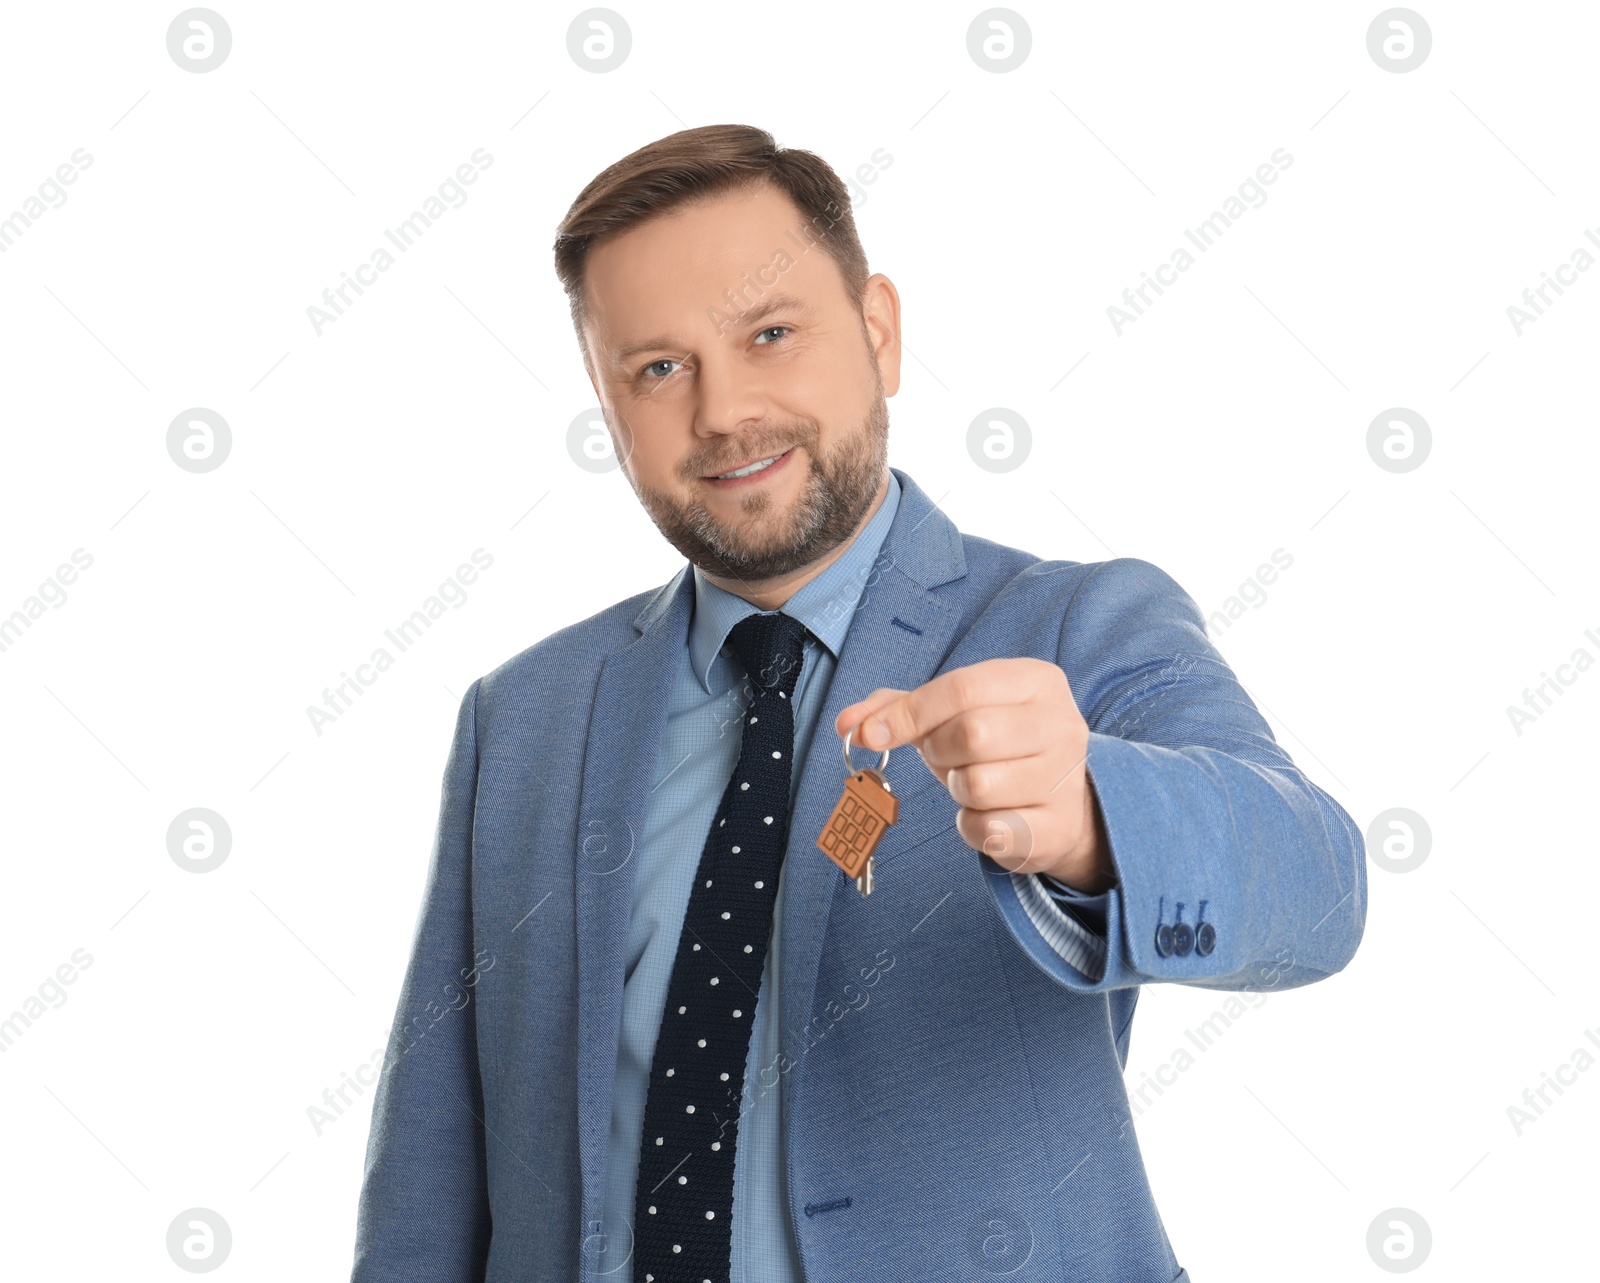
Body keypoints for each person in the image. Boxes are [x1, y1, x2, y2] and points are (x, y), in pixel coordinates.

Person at [349, 123, 1366, 1283]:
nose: (725, 411)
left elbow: (1317, 885)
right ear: (605, 401)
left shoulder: (1073, 627)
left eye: (770, 335)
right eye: (658, 368)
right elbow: (434, 1163)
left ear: (879, 333)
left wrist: (1096, 816)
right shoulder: (520, 714)